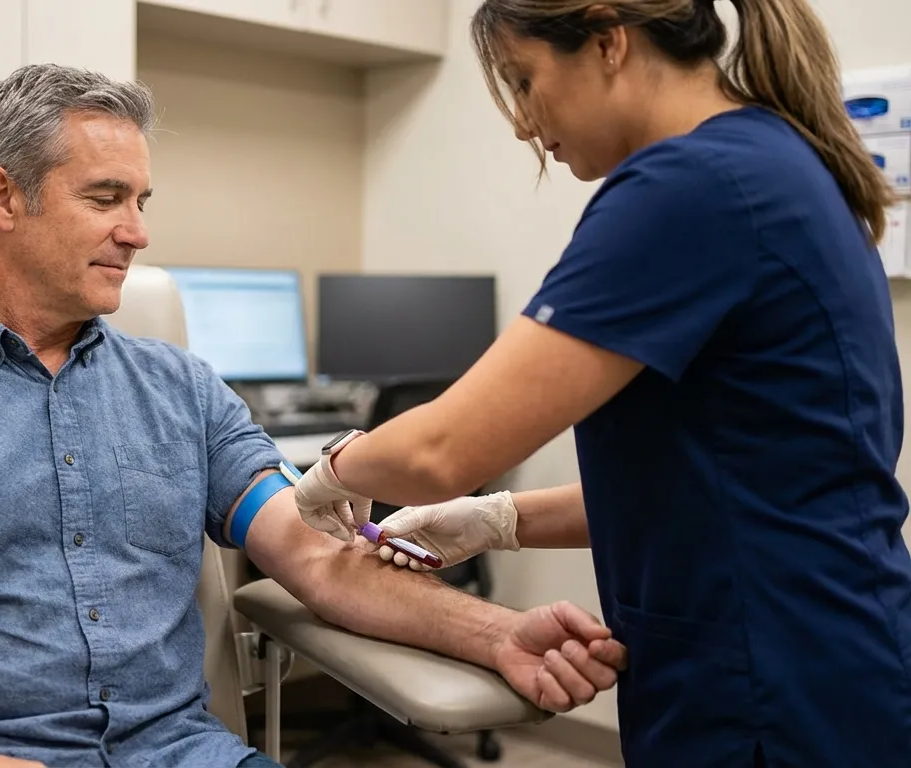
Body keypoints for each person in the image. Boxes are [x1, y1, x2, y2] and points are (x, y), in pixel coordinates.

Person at [0, 63, 627, 768]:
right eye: (105, 198)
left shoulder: (183, 391)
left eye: (142, 201)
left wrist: (500, 633)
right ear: (5, 198)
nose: (138, 232)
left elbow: (318, 560)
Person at [293, 0, 911, 766]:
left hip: (768, 685)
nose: (522, 121)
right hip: (825, 651)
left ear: (608, 42)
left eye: (525, 79)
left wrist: (326, 472)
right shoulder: (777, 161)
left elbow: (441, 448)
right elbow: (732, 480)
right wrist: (500, 519)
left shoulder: (691, 185)